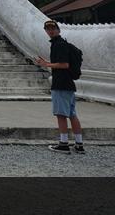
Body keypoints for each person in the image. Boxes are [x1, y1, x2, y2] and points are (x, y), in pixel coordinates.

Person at [35, 20, 85, 154]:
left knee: (61, 114)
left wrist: (46, 64)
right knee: (72, 114)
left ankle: (63, 143)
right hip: (68, 83)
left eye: (53, 28)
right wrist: (48, 63)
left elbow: (64, 64)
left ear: (58, 30)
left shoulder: (59, 45)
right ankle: (79, 144)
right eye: (48, 29)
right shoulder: (62, 44)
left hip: (61, 83)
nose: (50, 31)